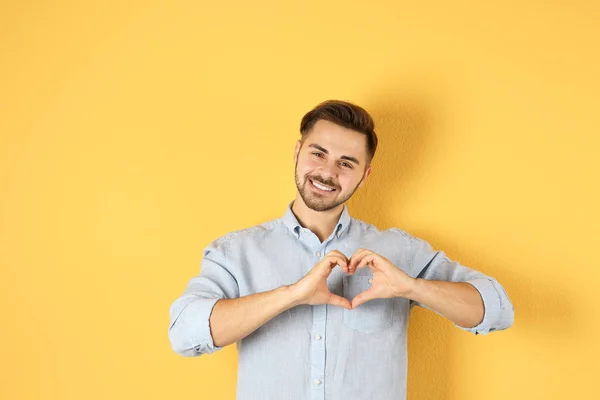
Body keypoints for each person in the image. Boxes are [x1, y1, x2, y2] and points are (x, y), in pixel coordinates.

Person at [168, 100, 515, 400]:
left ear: (364, 176)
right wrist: (291, 295)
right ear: (297, 153)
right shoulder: (236, 252)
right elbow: (184, 334)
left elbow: (498, 310)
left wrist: (411, 287)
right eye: (318, 153)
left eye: (346, 163)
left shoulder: (398, 251)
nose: (327, 171)